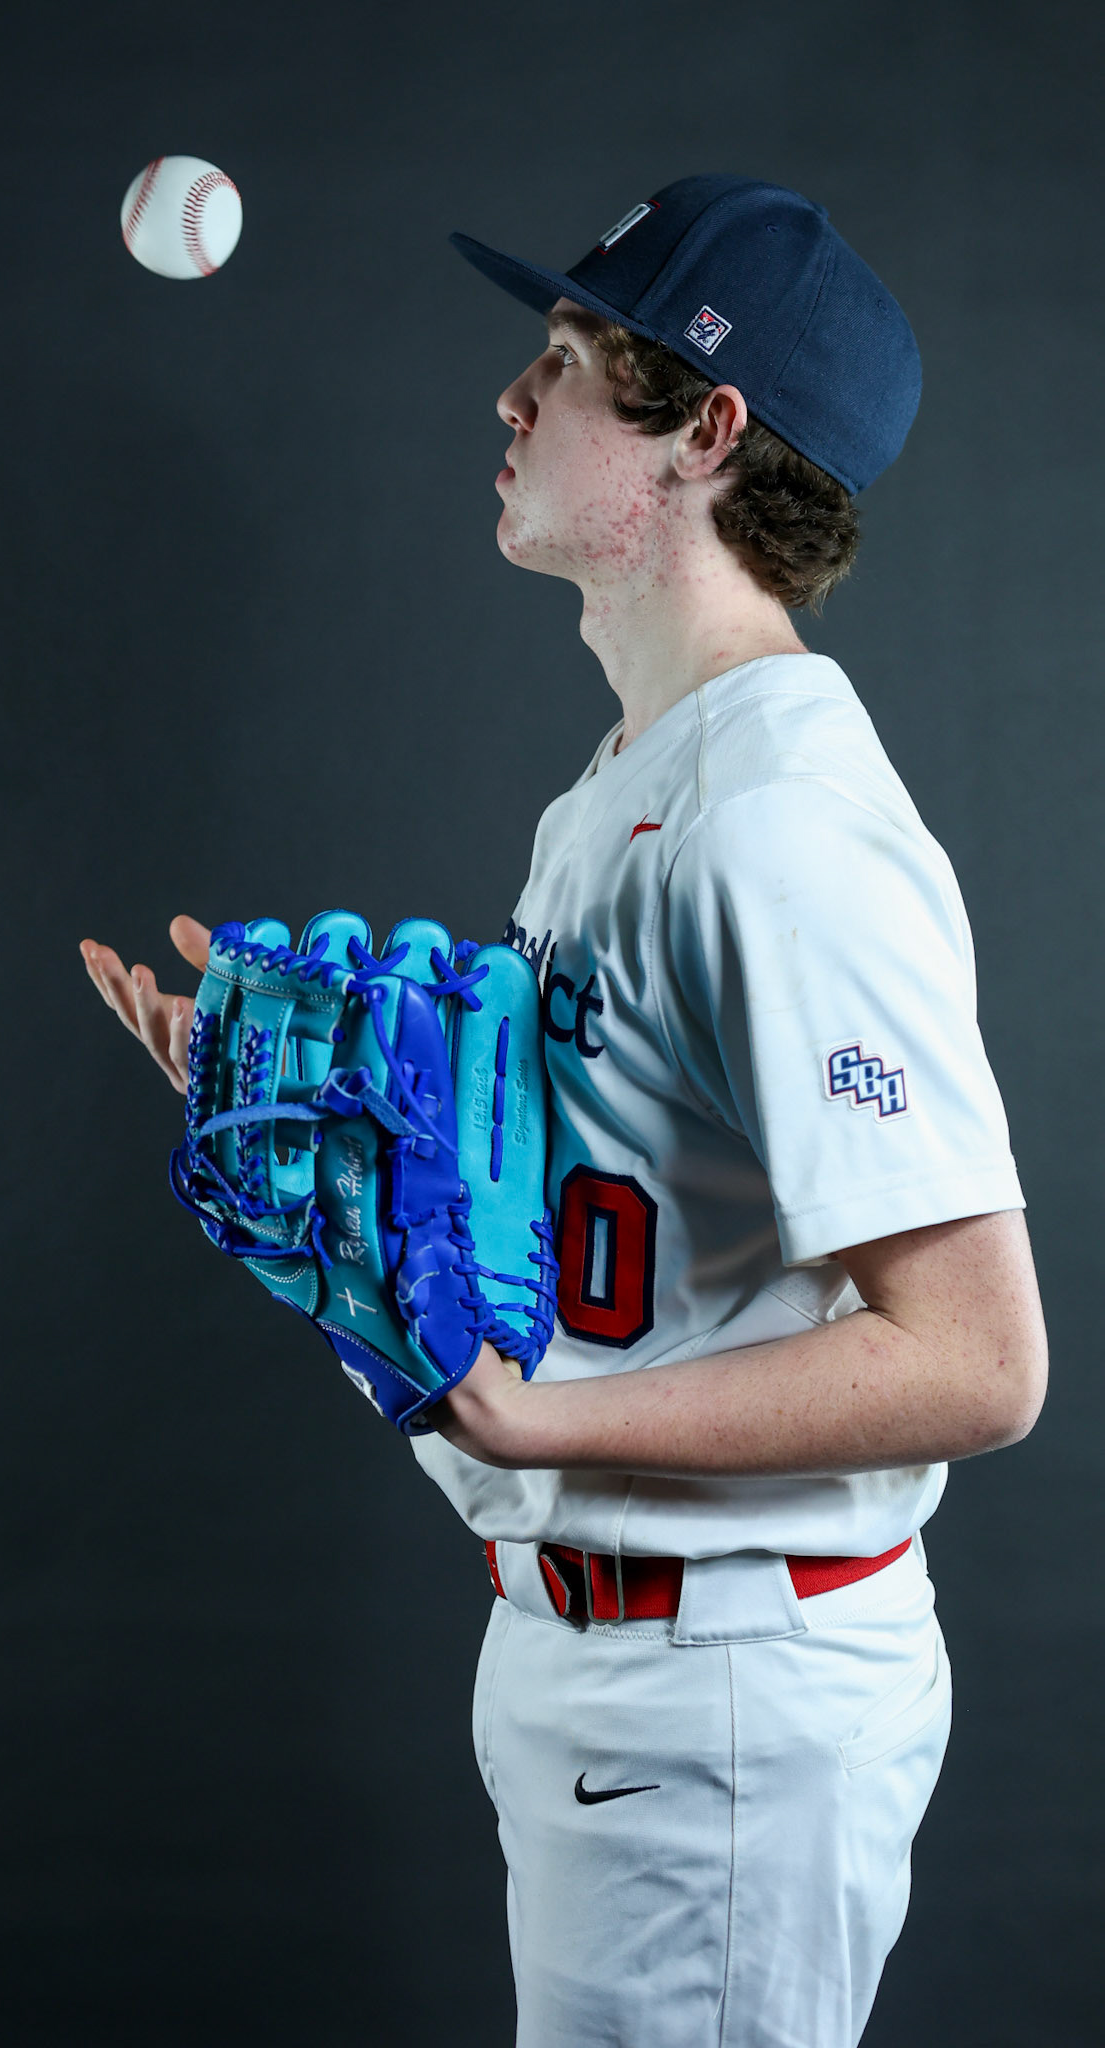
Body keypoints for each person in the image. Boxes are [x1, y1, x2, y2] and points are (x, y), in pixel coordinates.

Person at [81, 174, 1049, 2047]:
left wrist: (543, 1422)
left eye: (564, 368)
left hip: (725, 1691)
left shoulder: (779, 821)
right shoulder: (627, 778)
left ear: (706, 430)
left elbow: (979, 1360)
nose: (508, 404)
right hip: (611, 1663)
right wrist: (338, 1123)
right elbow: (630, 1192)